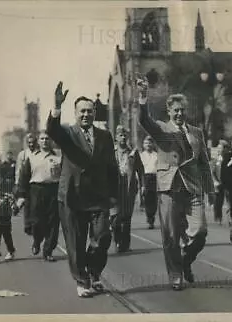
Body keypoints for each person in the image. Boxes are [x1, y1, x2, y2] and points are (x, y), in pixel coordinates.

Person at [137, 77, 215, 291]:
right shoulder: (161, 129)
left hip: (192, 188)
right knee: (171, 235)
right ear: (169, 111)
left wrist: (211, 190)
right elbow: (144, 121)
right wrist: (143, 97)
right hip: (168, 188)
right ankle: (175, 274)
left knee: (199, 232)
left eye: (182, 110)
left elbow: (204, 163)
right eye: (176, 111)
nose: (179, 114)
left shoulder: (197, 132)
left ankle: (184, 261)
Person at [46, 81, 119, 298]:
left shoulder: (105, 136)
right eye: (82, 111)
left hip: (99, 197)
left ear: (95, 112)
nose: (86, 115)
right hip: (72, 196)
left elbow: (112, 167)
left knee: (103, 236)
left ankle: (94, 272)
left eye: (89, 111)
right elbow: (52, 130)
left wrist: (114, 199)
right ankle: (82, 279)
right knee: (75, 243)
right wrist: (56, 106)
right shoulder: (67, 133)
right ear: (75, 113)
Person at [17, 131, 61, 262]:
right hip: (36, 191)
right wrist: (21, 195)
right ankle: (37, 241)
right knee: (37, 221)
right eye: (42, 139)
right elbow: (24, 177)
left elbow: (64, 176)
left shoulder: (58, 157)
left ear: (51, 141)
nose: (45, 141)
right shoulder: (32, 157)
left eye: (47, 139)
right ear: (39, 141)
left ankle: (48, 251)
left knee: (53, 223)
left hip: (53, 190)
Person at [112, 125, 144, 253]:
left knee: (126, 217)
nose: (123, 137)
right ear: (116, 137)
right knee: (115, 217)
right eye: (120, 135)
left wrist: (143, 186)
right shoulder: (111, 152)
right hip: (115, 186)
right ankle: (117, 240)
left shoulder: (133, 153)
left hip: (129, 186)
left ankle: (125, 245)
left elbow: (140, 170)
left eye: (125, 135)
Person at [15, 134, 40, 235]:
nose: (31, 144)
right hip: (25, 182)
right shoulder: (23, 154)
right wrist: (17, 183)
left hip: (35, 181)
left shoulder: (39, 152)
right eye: (29, 142)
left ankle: (35, 224)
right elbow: (18, 169)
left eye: (33, 142)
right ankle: (27, 225)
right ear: (27, 143)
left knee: (36, 204)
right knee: (27, 204)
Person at [140, 135, 158, 229]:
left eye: (150, 142)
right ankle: (149, 219)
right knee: (147, 199)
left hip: (155, 178)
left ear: (153, 144)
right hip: (145, 177)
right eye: (146, 143)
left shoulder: (156, 155)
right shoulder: (141, 155)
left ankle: (152, 217)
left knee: (154, 199)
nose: (148, 145)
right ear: (143, 145)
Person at [210, 140, 230, 225]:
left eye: (220, 148)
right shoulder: (215, 160)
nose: (219, 150)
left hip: (228, 184)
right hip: (218, 184)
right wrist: (215, 182)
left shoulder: (230, 159)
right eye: (218, 148)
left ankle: (230, 219)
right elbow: (212, 172)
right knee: (218, 203)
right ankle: (218, 218)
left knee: (230, 202)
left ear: (225, 149)